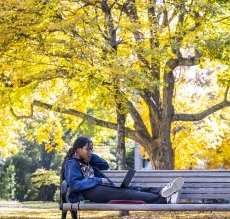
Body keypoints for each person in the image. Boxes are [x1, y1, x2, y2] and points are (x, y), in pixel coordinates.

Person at [60, 136, 184, 204]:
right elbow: (75, 185)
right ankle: (165, 200)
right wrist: (97, 180)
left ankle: (162, 191)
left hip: (95, 189)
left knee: (133, 189)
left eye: (92, 149)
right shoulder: (71, 164)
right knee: (126, 194)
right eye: (88, 149)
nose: (91, 152)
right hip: (88, 192)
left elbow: (104, 165)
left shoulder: (86, 161)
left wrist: (89, 156)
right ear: (78, 149)